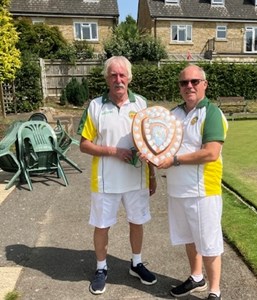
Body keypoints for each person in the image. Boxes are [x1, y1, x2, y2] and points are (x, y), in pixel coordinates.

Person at [77, 56, 157, 295]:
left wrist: (152, 174)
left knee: (137, 221)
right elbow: (84, 144)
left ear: (130, 77)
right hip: (105, 180)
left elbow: (150, 142)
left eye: (122, 75)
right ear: (107, 78)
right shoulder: (95, 106)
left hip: (137, 179)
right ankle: (101, 268)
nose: (118, 79)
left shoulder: (141, 104)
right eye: (113, 75)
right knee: (102, 226)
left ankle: (136, 263)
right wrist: (113, 151)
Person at [157, 65, 228, 300]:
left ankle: (214, 291)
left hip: (203, 190)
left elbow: (211, 153)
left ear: (204, 84)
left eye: (195, 81)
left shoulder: (212, 113)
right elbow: (160, 143)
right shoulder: (174, 114)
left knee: (209, 242)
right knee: (188, 238)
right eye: (184, 83)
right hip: (178, 190)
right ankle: (197, 277)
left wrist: (174, 160)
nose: (189, 86)